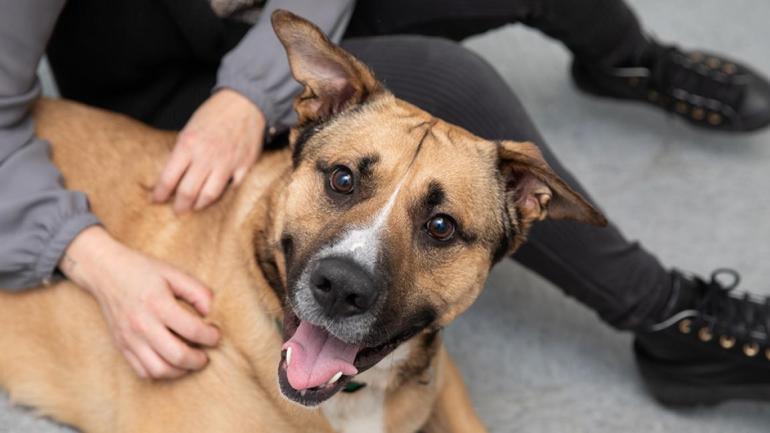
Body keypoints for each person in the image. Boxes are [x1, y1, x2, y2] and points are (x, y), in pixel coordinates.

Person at [1, 0, 769, 406]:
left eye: (439, 227)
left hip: (287, 39)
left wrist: (250, 89)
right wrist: (95, 256)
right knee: (455, 84)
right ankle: (667, 310)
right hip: (158, 90)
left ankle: (627, 62)